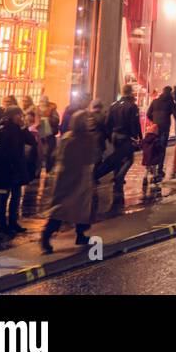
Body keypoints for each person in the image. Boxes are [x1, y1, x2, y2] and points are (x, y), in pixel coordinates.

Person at [40, 105, 103, 253]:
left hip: (73, 177)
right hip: (73, 178)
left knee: (81, 209)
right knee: (63, 209)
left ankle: (80, 234)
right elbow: (84, 158)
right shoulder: (80, 139)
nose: (90, 122)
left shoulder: (70, 137)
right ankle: (46, 236)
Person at [0, 106, 35, 235]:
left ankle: (13, 221)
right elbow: (1, 150)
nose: (20, 117)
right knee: (4, 197)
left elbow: (31, 141)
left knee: (16, 196)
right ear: (11, 115)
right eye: (18, 115)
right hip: (7, 167)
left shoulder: (19, 130)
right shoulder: (3, 129)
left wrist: (24, 128)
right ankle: (2, 223)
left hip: (17, 167)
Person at [94, 84, 141, 195]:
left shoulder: (113, 105)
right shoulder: (132, 106)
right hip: (124, 135)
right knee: (129, 159)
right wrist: (137, 136)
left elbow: (107, 122)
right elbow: (134, 123)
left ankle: (117, 176)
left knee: (118, 157)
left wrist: (110, 135)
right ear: (130, 92)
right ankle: (119, 177)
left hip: (115, 135)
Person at [147, 86, 175, 162]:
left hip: (155, 127)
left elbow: (148, 114)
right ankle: (160, 169)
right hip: (165, 127)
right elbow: (175, 114)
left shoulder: (155, 101)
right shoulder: (170, 102)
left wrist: (154, 121)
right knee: (162, 148)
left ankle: (153, 164)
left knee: (155, 145)